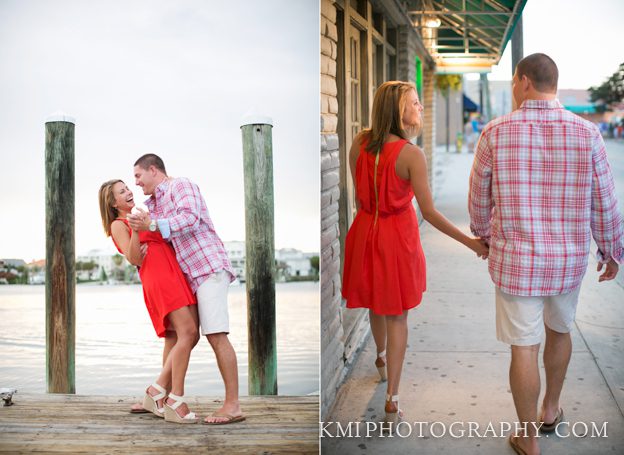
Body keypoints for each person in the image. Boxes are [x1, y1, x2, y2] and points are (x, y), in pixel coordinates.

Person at [468, 53, 623, 455]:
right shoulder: (587, 134)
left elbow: (478, 199)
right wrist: (610, 249)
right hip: (567, 263)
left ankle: (528, 437)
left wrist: (483, 235)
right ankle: (551, 408)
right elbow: (604, 201)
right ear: (553, 83)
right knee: (560, 330)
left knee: (524, 346)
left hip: (517, 262)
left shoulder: (495, 132)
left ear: (522, 81)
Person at [342, 81, 489, 426]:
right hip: (396, 238)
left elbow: (361, 198)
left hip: (364, 231)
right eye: (414, 103)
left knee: (376, 303)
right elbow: (431, 213)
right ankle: (392, 398)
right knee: (397, 316)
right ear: (397, 110)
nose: (420, 108)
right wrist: (470, 242)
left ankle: (380, 359)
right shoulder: (411, 154)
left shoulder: (358, 143)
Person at [127, 154, 245, 425]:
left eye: (138, 176)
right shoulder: (152, 206)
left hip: (207, 267)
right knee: (182, 335)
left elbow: (190, 218)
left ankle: (233, 405)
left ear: (153, 170)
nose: (136, 183)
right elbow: (152, 237)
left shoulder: (181, 185)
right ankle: (159, 395)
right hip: (188, 276)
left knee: (216, 335)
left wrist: (152, 225)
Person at [98, 179, 200, 424]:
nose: (129, 192)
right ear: (113, 202)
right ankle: (173, 398)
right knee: (189, 332)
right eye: (122, 191)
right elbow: (135, 258)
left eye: (127, 188)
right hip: (158, 276)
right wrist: (135, 230)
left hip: (174, 272)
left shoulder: (142, 214)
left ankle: (159, 394)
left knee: (177, 336)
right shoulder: (118, 224)